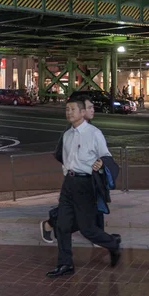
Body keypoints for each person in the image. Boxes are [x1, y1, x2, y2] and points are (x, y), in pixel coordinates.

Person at [46, 99, 121, 278]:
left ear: (82, 113)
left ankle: (112, 243)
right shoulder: (67, 135)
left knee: (87, 229)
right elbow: (65, 158)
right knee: (62, 225)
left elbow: (106, 156)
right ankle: (65, 264)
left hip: (86, 184)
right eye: (67, 109)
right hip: (68, 184)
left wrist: (101, 163)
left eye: (72, 109)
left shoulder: (94, 133)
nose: (69, 112)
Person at [42, 96, 101, 244]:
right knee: (75, 208)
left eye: (93, 107)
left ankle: (96, 234)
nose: (92, 110)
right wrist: (72, 169)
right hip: (76, 177)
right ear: (81, 111)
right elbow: (60, 153)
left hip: (89, 177)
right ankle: (50, 224)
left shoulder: (90, 128)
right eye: (89, 108)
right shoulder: (72, 129)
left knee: (87, 206)